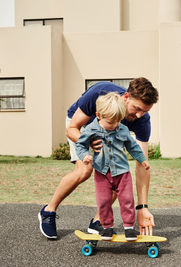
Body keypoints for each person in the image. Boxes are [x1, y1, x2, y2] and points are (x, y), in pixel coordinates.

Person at [38, 77, 158, 239]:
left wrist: (142, 207)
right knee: (84, 170)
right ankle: (48, 211)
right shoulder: (100, 93)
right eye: (137, 108)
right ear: (126, 96)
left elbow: (142, 164)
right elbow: (72, 129)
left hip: (110, 133)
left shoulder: (142, 120)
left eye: (145, 111)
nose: (139, 115)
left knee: (118, 175)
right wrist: (89, 143)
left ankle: (98, 221)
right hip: (83, 126)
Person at [76, 92, 150, 241]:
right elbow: (80, 145)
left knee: (127, 200)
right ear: (98, 115)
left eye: (118, 121)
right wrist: (84, 155)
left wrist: (142, 159)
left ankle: (129, 228)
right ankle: (106, 227)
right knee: (103, 201)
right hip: (102, 173)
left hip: (122, 172)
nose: (115, 125)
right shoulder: (91, 129)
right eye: (111, 122)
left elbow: (133, 146)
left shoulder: (121, 129)